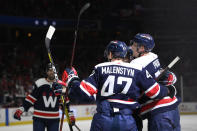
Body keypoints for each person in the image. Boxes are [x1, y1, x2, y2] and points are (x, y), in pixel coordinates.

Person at [62, 40, 175, 131]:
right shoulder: (138, 69)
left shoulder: (100, 68)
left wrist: (72, 79)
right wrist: (168, 90)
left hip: (103, 120)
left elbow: (81, 93)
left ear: (110, 54)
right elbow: (155, 91)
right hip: (128, 121)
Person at [129, 33, 181, 131]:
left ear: (142, 48)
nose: (131, 47)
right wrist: (168, 79)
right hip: (172, 107)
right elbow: (170, 77)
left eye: (134, 45)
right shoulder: (153, 56)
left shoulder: (136, 64)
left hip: (159, 110)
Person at [13, 63, 64, 131]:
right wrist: (21, 109)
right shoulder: (40, 83)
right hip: (39, 119)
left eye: (53, 70)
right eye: (49, 70)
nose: (52, 72)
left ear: (57, 72)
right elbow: (31, 98)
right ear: (46, 72)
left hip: (54, 119)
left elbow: (64, 102)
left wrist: (70, 115)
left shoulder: (60, 85)